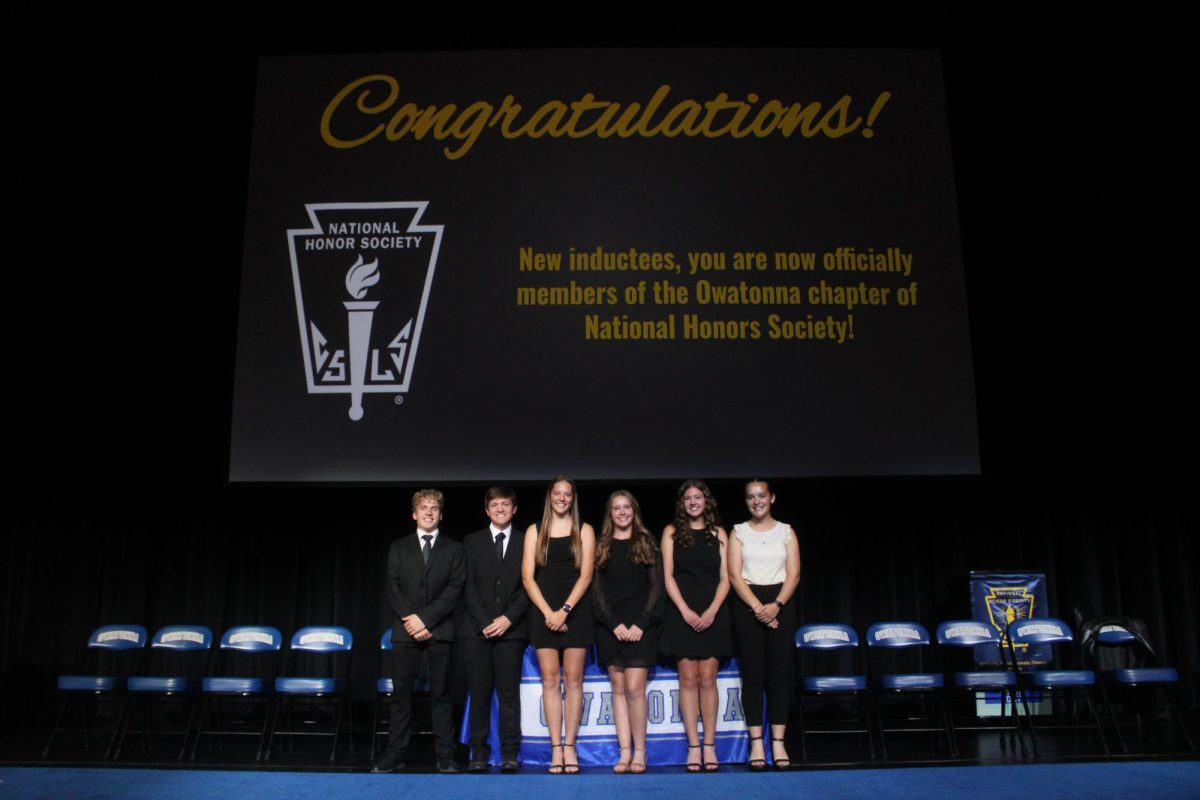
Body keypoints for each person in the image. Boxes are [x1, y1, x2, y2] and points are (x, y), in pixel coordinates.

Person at [375, 489, 466, 774]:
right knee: (402, 696)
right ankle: (395, 753)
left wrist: (425, 621)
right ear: (414, 514)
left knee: (441, 695)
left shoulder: (454, 549)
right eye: (424, 508)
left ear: (441, 514)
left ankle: (445, 756)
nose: (429, 512)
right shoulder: (399, 547)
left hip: (440, 631)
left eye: (434, 508)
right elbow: (394, 587)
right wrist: (412, 621)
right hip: (405, 632)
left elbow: (454, 589)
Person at [522, 476, 595, 774]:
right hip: (543, 612)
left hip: (574, 611)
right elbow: (528, 577)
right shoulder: (534, 530)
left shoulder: (585, 529)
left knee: (574, 680)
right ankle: (555, 748)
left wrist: (564, 611)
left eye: (567, 494)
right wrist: (549, 613)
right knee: (550, 681)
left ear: (573, 498)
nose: (562, 498)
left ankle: (570, 747)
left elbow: (587, 575)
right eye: (557, 493)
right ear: (549, 496)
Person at [727, 479, 801, 770]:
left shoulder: (787, 532)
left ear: (772, 498)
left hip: (781, 602)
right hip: (748, 604)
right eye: (750, 497)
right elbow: (734, 575)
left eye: (761, 496)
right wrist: (758, 608)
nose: (756, 501)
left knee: (780, 675)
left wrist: (776, 606)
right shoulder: (738, 533)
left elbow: (793, 574)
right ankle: (756, 742)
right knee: (753, 675)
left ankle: (778, 742)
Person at [660, 480, 731, 772]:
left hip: (713, 610)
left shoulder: (719, 533)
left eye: (697, 497)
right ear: (682, 503)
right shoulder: (671, 532)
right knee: (688, 680)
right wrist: (686, 611)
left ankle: (710, 747)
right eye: (688, 498)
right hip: (682, 611)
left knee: (707, 680)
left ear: (706, 501)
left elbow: (727, 577)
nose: (693, 502)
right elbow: (668, 576)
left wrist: (712, 610)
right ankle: (693, 747)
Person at [592, 490, 664, 774]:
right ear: (610, 514)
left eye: (626, 508)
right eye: (616, 508)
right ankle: (624, 753)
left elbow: (657, 589)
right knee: (618, 688)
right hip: (612, 626)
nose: (622, 512)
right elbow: (596, 590)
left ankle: (640, 754)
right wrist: (614, 625)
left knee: (635, 688)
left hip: (641, 627)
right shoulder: (602, 545)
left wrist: (640, 625)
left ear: (634, 511)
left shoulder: (646, 543)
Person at [458, 486, 529, 772]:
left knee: (509, 693)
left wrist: (508, 619)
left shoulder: (527, 540)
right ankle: (478, 751)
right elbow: (468, 584)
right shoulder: (471, 541)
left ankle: (510, 751)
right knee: (479, 692)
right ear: (487, 510)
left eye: (506, 504)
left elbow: (530, 585)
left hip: (511, 630)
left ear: (514, 509)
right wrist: (486, 621)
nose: (500, 509)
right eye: (495, 505)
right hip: (477, 630)